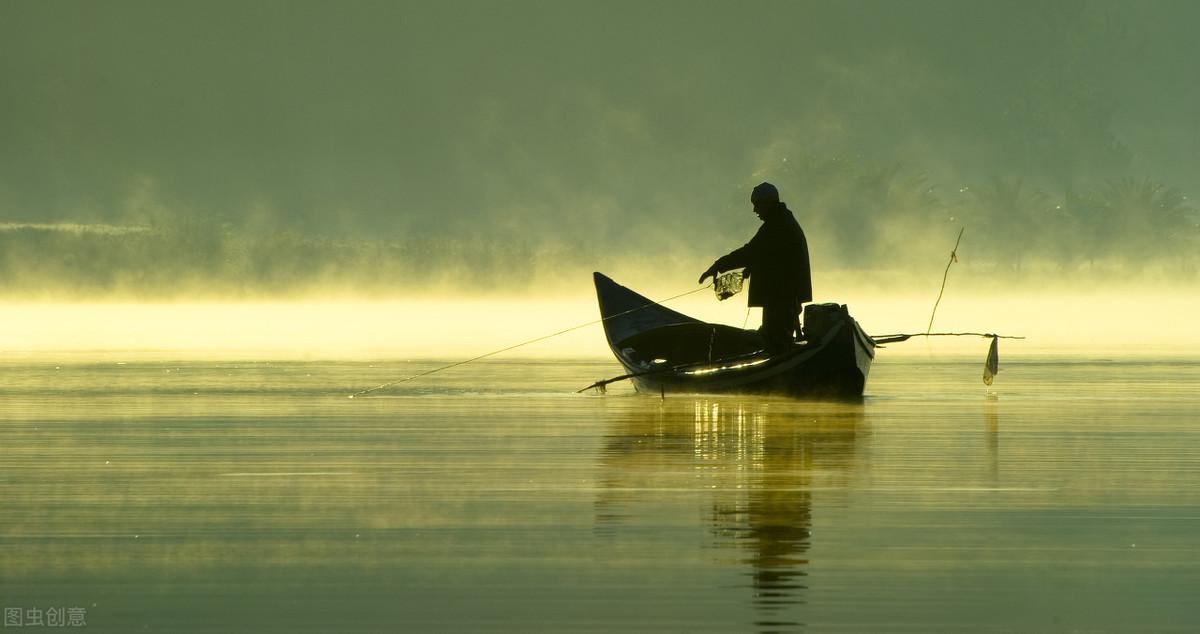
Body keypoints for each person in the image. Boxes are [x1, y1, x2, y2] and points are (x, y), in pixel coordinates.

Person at [698, 182, 812, 353]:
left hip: (781, 295)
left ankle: (778, 370)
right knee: (777, 339)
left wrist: (717, 266)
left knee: (776, 342)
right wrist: (750, 268)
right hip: (783, 294)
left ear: (769, 202)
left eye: (757, 205)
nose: (755, 210)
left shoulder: (777, 226)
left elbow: (751, 251)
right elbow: (770, 253)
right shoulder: (781, 221)